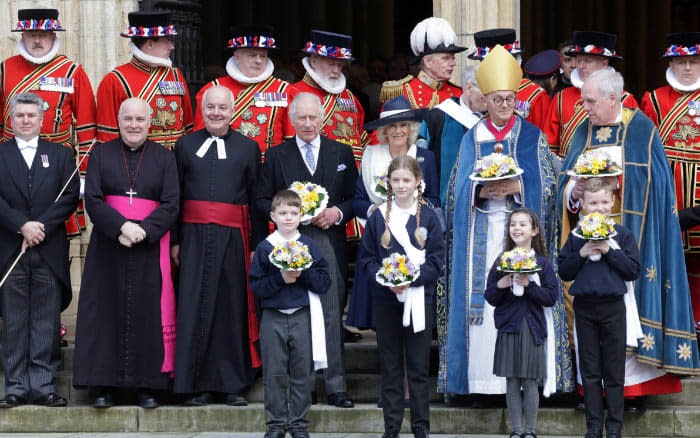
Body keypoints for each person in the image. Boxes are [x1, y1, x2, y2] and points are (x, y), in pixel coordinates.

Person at [558, 68, 700, 411]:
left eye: (590, 101)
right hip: (589, 248)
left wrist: (618, 183)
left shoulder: (641, 129)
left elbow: (657, 184)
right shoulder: (583, 130)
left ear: (612, 98)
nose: (584, 107)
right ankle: (591, 390)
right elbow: (566, 182)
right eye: (582, 100)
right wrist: (573, 191)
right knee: (590, 314)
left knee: (628, 313)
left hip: (632, 240)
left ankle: (633, 392)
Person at [437, 45, 573, 398]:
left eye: (509, 99)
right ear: (484, 99)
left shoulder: (531, 136)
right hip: (480, 234)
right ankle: (481, 383)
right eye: (496, 99)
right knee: (482, 304)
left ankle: (528, 382)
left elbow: (547, 188)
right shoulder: (473, 137)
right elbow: (455, 192)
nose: (503, 106)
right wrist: (478, 194)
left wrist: (519, 186)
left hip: (520, 231)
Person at [73, 98, 179, 409]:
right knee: (105, 313)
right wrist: (121, 227)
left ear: (150, 122)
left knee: (147, 313)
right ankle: (104, 387)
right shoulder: (101, 153)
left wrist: (144, 230)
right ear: (118, 121)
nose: (134, 125)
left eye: (140, 119)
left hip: (149, 245)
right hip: (109, 245)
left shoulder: (164, 157)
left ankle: (148, 387)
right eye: (128, 119)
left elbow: (172, 202)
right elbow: (92, 199)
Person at [255, 92, 358, 408]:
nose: (308, 123)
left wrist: (337, 213)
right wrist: (285, 212)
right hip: (289, 240)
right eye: (301, 117)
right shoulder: (276, 155)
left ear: (323, 118)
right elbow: (259, 200)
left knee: (330, 312)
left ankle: (336, 385)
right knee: (297, 313)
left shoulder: (341, 152)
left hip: (328, 240)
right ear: (291, 119)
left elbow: (356, 198)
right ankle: (304, 386)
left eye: (314, 117)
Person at [172, 86, 262, 406]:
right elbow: (175, 197)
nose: (215, 113)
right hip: (193, 239)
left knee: (230, 308)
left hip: (233, 240)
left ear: (231, 109)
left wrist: (255, 244)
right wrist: (176, 241)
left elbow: (256, 200)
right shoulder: (183, 145)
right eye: (210, 107)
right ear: (202, 109)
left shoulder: (248, 148)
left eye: (222, 108)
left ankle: (230, 385)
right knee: (194, 307)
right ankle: (197, 384)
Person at [0, 92, 79, 408]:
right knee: (15, 321)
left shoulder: (60, 155)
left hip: (48, 250)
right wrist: (21, 225)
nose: (26, 120)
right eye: (20, 115)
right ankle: (16, 387)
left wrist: (39, 226)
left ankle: (44, 386)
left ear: (42, 119)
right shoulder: (1, 154)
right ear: (11, 119)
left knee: (46, 321)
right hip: (10, 250)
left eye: (32, 115)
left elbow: (69, 196)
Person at [358, 155, 444, 438]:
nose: (401, 185)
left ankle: (421, 428)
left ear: (418, 182)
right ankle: (392, 427)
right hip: (386, 300)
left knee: (418, 367)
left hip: (420, 298)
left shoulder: (429, 216)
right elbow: (368, 259)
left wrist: (411, 280)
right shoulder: (378, 217)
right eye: (396, 180)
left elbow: (436, 261)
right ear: (388, 183)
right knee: (391, 365)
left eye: (407, 180)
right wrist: (388, 280)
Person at [1, 8, 96, 238]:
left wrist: (83, 176)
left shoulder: (73, 72)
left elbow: (87, 129)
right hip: (12, 164)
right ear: (21, 36)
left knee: (55, 235)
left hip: (57, 168)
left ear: (54, 36)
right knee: (10, 230)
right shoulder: (4, 70)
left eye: (43, 34)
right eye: (31, 34)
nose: (37, 40)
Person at [346, 95, 439, 331]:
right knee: (384, 317)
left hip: (414, 242)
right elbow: (357, 200)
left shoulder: (424, 157)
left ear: (412, 128)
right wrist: (376, 210)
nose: (398, 131)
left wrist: (410, 209)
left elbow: (434, 199)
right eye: (393, 126)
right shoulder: (371, 155)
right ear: (384, 131)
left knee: (415, 318)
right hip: (380, 241)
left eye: (403, 125)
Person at [558, 178, 642, 438]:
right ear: (582, 204)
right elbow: (563, 270)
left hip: (613, 307)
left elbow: (633, 271)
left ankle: (614, 428)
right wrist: (581, 253)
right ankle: (593, 428)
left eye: (605, 202)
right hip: (585, 308)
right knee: (591, 370)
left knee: (614, 371)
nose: (599, 208)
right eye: (593, 203)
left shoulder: (622, 235)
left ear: (613, 202)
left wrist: (608, 250)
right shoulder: (575, 236)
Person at [249, 189, 331, 438]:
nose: (288, 218)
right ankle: (275, 424)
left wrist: (302, 272)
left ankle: (298, 423)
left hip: (302, 316)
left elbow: (324, 282)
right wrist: (281, 278)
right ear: (272, 216)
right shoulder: (265, 248)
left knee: (301, 373)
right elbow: (257, 286)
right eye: (282, 213)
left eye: (293, 213)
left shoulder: (308, 246)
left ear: (301, 216)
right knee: (274, 373)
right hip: (273, 316)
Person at [641, 32, 700, 338]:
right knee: (669, 261)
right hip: (670, 193)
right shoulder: (652, 99)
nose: (687, 68)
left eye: (693, 61)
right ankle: (676, 326)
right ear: (671, 63)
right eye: (680, 62)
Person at [486, 208, 559, 438]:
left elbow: (550, 297)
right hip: (509, 325)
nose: (516, 228)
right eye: (513, 224)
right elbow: (491, 297)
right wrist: (501, 285)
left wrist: (530, 285)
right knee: (512, 379)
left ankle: (530, 430)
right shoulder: (501, 261)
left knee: (529, 379)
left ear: (534, 231)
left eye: (523, 224)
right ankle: (516, 430)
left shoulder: (543, 265)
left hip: (532, 326)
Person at [96, 11, 194, 150]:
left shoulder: (176, 75)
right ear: (149, 44)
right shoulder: (114, 80)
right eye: (167, 40)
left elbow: (189, 126)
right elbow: (108, 138)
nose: (172, 47)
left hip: (176, 161)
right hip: (139, 161)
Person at [194, 24, 290, 157]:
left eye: (263, 56)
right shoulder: (211, 89)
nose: (258, 61)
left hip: (267, 168)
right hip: (226, 166)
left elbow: (292, 141)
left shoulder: (285, 90)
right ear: (237, 56)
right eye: (252, 55)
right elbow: (200, 137)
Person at [544, 31, 639, 157]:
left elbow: (634, 146)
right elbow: (550, 147)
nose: (581, 66)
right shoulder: (561, 97)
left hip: (610, 171)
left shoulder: (625, 100)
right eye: (578, 61)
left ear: (604, 64)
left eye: (587, 61)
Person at [285, 30, 369, 167]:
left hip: (351, 174)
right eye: (331, 64)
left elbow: (361, 136)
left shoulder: (349, 96)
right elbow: (291, 143)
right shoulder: (294, 92)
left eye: (340, 65)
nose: (336, 71)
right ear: (314, 61)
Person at [421, 65, 487, 203]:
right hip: (445, 205)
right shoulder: (437, 118)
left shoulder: (496, 119)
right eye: (486, 91)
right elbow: (421, 164)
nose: (490, 97)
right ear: (469, 88)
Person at [467, 28, 551, 131]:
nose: (485, 67)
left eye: (490, 62)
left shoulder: (535, 96)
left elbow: (543, 139)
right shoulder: (477, 91)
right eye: (482, 62)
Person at [380, 17, 466, 109]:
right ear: (428, 62)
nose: (453, 63)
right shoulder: (400, 91)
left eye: (453, 58)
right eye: (446, 58)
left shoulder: (459, 93)